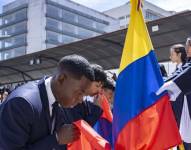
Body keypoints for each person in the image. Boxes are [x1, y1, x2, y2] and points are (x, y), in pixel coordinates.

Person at [0, 55, 94, 150]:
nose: (81, 99)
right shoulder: (22, 103)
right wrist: (56, 139)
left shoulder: (59, 100)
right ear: (61, 79)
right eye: (79, 93)